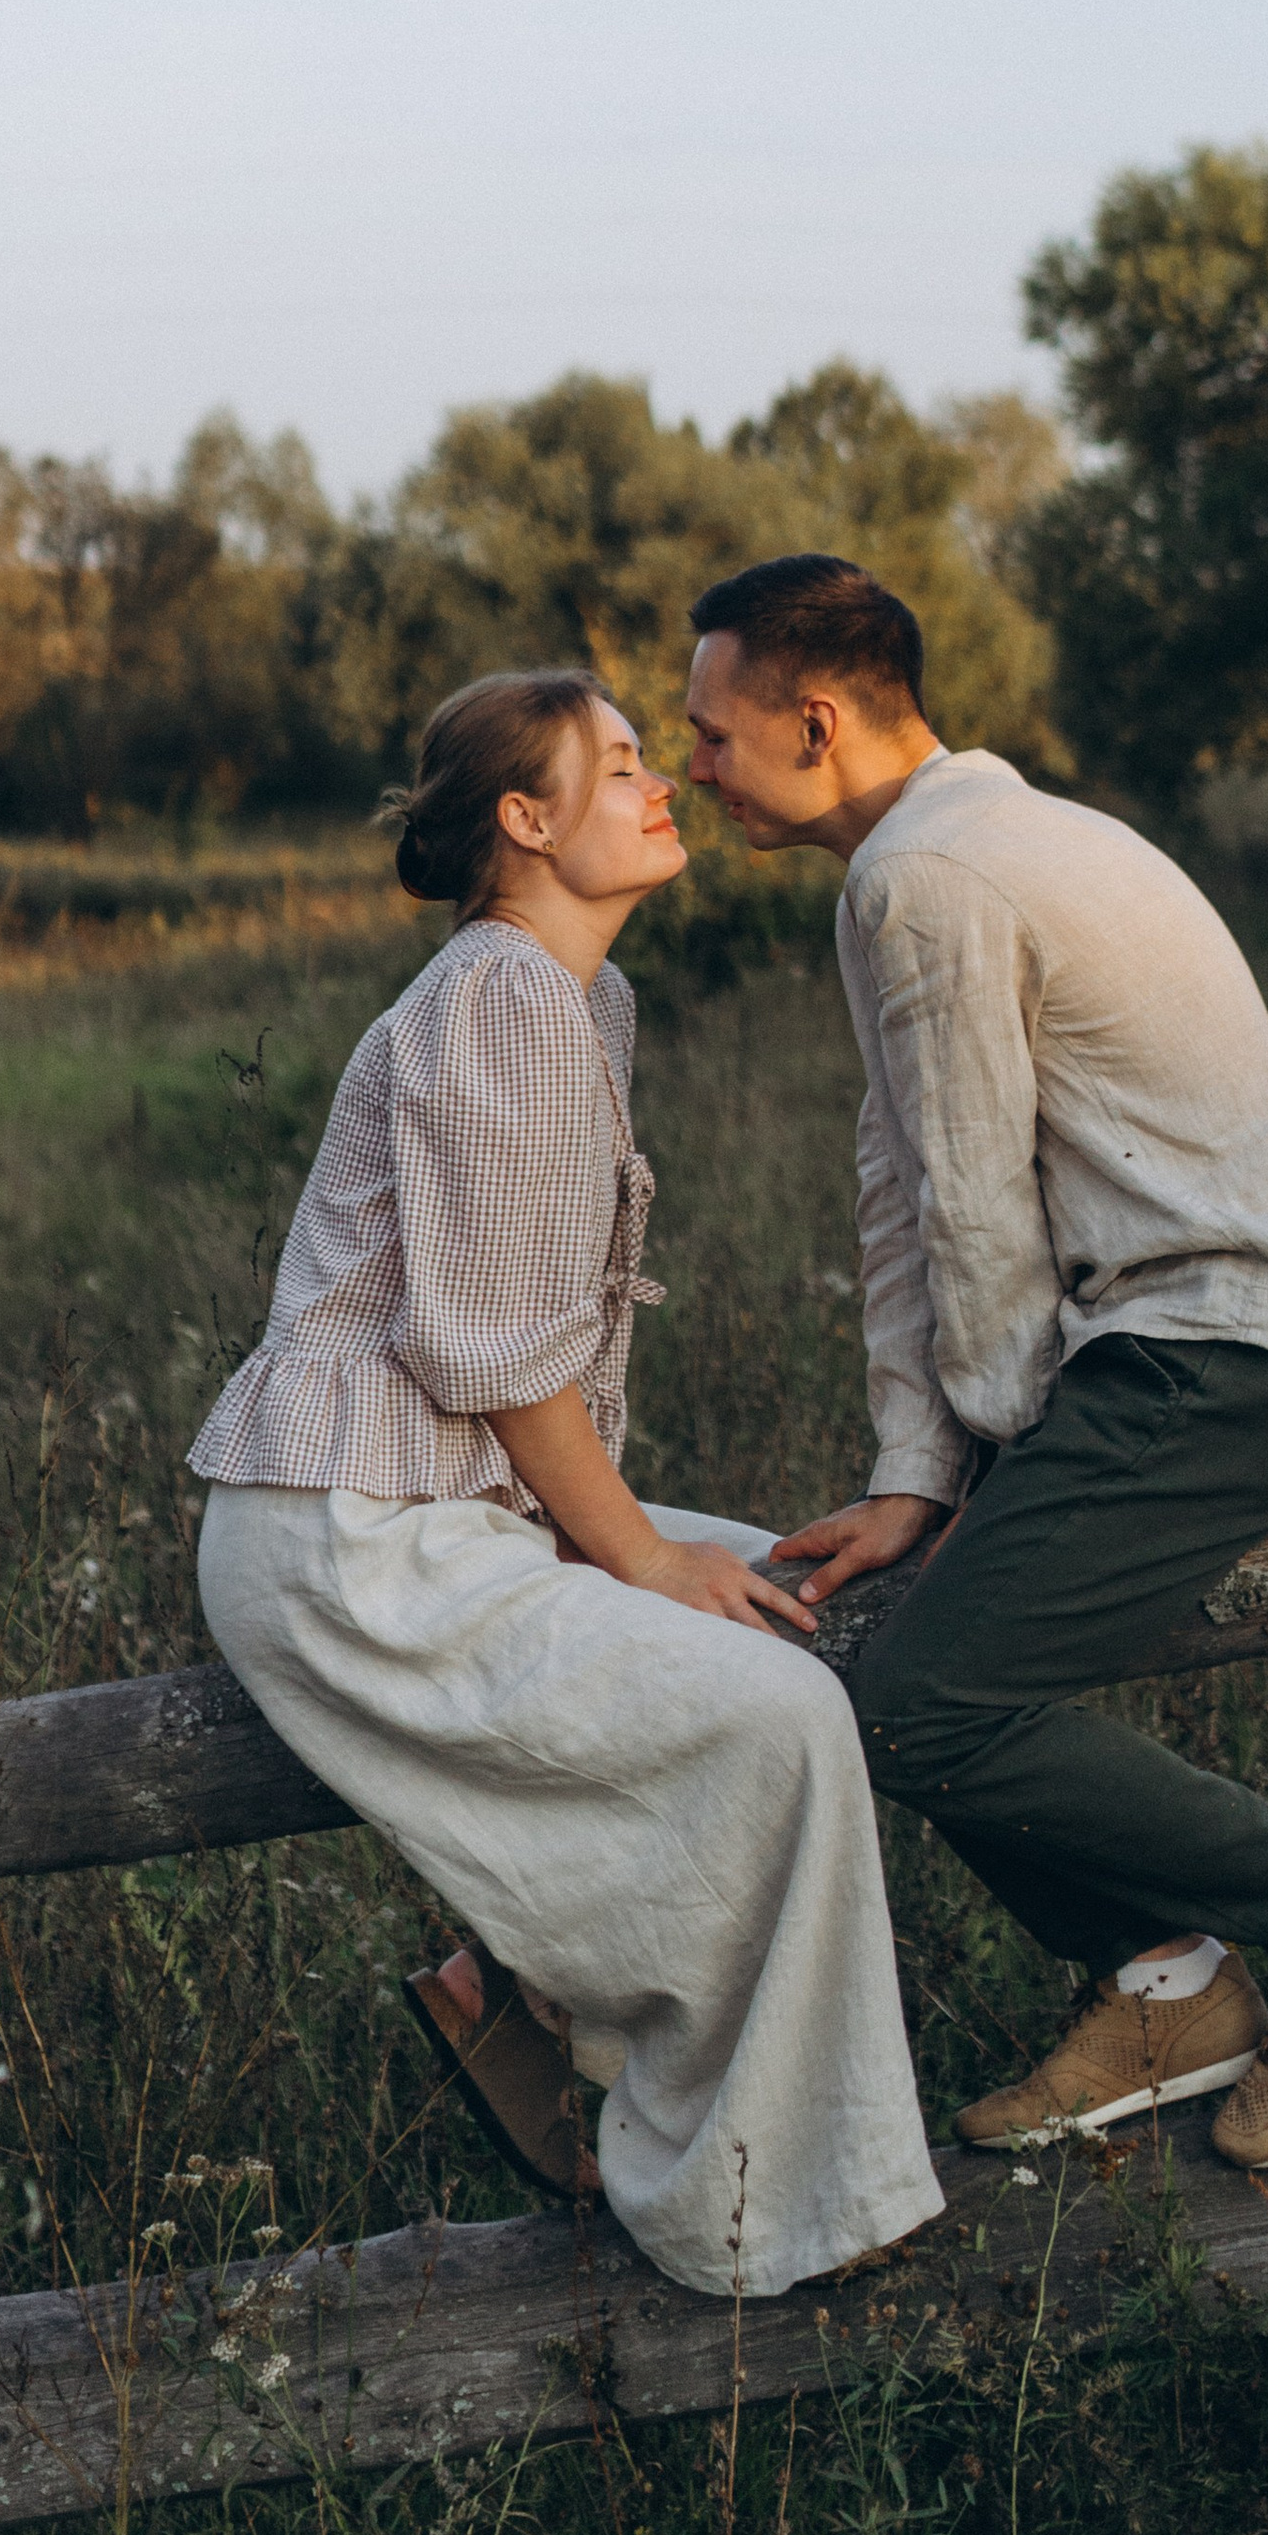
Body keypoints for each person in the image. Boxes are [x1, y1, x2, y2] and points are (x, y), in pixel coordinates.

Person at [682, 555, 1268, 2172]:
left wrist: (991, 1460)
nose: (692, 765)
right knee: (899, 1659)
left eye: (706, 731)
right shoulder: (968, 843)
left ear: (814, 720)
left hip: (1229, 1355)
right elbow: (901, 1182)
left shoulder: (934, 880)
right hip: (1180, 1353)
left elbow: (977, 1209)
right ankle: (1164, 1981)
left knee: (909, 1708)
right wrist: (918, 1478)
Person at [188, 665, 944, 2298]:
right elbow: (499, 1360)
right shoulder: (502, 1000)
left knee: (815, 1604)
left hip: (447, 1511)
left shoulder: (576, 999)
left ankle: (528, 1987)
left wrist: (644, 1549)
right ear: (525, 822)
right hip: (356, 1540)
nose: (660, 778)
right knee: (781, 1704)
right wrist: (641, 1560)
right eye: (613, 765)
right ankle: (762, 2221)